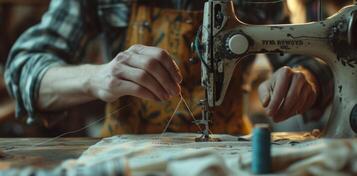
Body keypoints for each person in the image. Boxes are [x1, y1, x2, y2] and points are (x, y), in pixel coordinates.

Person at [4, 0, 333, 136]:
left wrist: (306, 78)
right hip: (125, 170)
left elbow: (303, 56)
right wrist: (97, 77)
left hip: (231, 164)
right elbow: (22, 68)